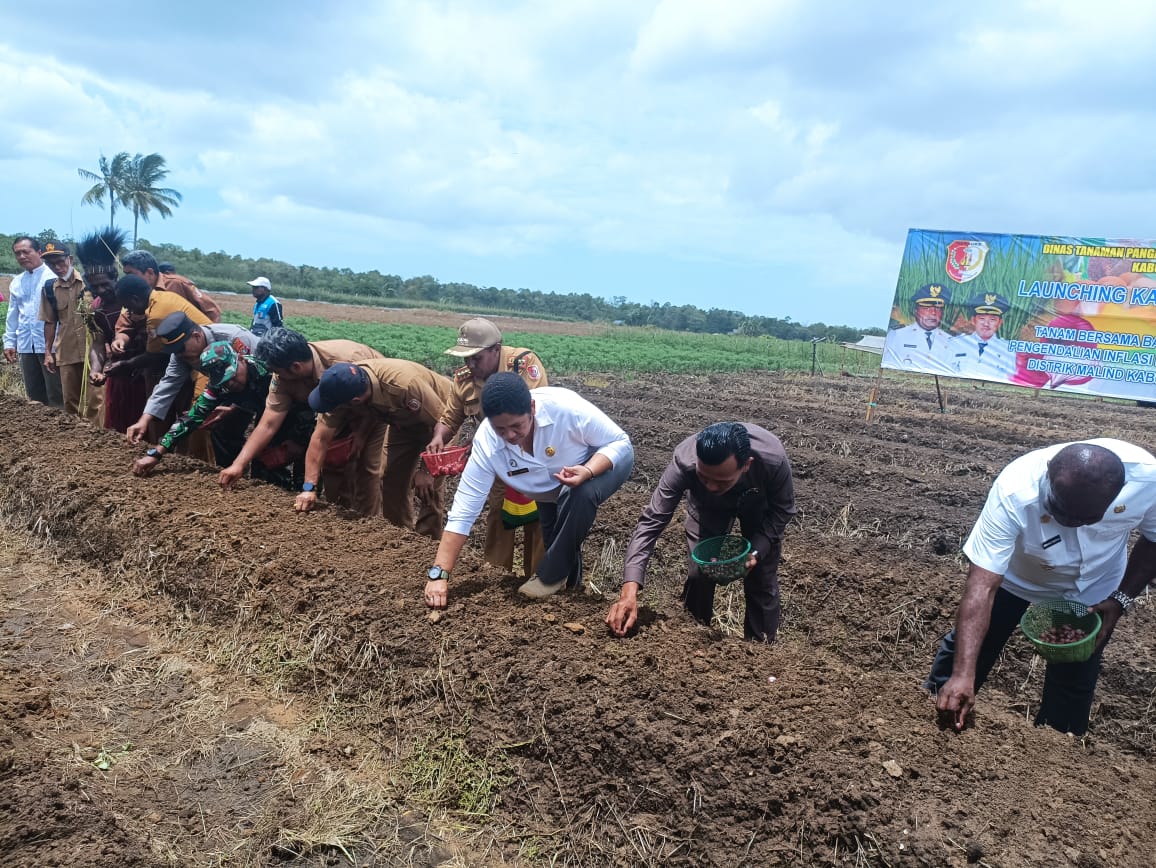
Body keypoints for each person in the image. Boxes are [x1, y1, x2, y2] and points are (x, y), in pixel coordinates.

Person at [926, 439, 1156, 736]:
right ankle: (936, 712)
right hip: (1018, 577)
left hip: (1094, 584)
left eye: (1084, 519)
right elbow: (981, 587)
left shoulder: (1148, 481)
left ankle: (1058, 745)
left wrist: (1119, 600)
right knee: (971, 649)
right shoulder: (1014, 489)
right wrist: (962, 673)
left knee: (1077, 667)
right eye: (1060, 511)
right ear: (1047, 476)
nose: (1070, 523)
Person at [424, 373, 634, 607]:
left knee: (579, 495)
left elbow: (620, 443)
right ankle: (570, 596)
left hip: (600, 465)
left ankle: (549, 577)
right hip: (545, 492)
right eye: (501, 430)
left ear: (532, 408)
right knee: (556, 538)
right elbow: (464, 510)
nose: (510, 436)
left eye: (516, 426)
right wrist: (439, 573)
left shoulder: (566, 410)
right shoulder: (487, 441)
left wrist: (589, 470)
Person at [607, 422, 796, 642]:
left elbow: (782, 510)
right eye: (704, 477)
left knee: (761, 576)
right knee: (700, 571)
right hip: (707, 507)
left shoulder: (772, 460)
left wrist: (756, 550)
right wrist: (628, 592)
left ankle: (761, 648)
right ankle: (692, 634)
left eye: (721, 481)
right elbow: (651, 522)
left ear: (746, 465)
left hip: (757, 503)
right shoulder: (684, 461)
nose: (712, 487)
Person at [428, 317, 549, 576]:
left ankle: (539, 577)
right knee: (498, 512)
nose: (469, 365)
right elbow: (451, 416)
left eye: (476, 358)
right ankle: (496, 574)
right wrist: (440, 437)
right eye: (465, 359)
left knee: (539, 514)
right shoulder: (464, 378)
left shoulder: (522, 365)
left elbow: (534, 413)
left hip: (533, 454)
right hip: (497, 458)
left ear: (496, 349)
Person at [219, 327, 384, 515]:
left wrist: (361, 433)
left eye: (277, 371)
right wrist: (239, 464)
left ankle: (368, 519)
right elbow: (268, 423)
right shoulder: (283, 376)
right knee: (334, 461)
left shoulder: (345, 362)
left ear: (295, 367)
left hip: (373, 404)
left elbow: (375, 401)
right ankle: (341, 513)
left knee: (366, 465)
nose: (276, 376)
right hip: (335, 407)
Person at [132, 341, 314, 488]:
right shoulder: (218, 386)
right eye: (224, 382)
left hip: (299, 415)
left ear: (241, 359)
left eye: (233, 376)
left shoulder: (268, 371)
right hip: (267, 418)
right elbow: (192, 418)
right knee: (265, 469)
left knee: (303, 467)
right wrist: (156, 453)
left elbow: (307, 404)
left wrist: (299, 439)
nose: (231, 384)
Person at [303, 360, 453, 537]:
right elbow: (320, 438)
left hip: (442, 419)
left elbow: (443, 424)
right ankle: (398, 536)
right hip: (403, 423)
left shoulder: (403, 386)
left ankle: (428, 542)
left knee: (429, 486)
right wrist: (308, 488)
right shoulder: (344, 385)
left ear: (355, 402)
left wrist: (427, 471)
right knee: (391, 477)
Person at [123, 311, 259, 447]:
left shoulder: (235, 339)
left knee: (259, 432)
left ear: (197, 336)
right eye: (174, 350)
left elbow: (258, 377)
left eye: (180, 349)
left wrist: (235, 407)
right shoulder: (181, 354)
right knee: (220, 432)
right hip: (227, 388)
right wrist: (144, 420)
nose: (178, 354)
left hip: (264, 387)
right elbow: (168, 383)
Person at [75, 229, 138, 431]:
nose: (101, 291)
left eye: (105, 284)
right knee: (117, 424)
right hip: (118, 373)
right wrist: (95, 369)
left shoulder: (134, 300)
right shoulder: (95, 308)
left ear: (115, 278)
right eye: (95, 287)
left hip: (144, 371)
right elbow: (98, 341)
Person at [38, 241, 101, 420]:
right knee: (70, 400)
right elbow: (50, 322)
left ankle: (98, 436)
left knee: (96, 399)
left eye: (60, 262)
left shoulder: (90, 283)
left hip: (93, 351)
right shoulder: (50, 289)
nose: (57, 267)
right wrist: (48, 352)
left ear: (70, 259)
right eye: (51, 264)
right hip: (67, 351)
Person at [3, 236, 62, 405]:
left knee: (56, 393)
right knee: (34, 394)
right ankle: (39, 430)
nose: (22, 256)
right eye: (18, 254)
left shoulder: (53, 278)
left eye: (26, 252)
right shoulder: (17, 281)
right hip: (26, 344)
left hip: (51, 345)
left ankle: (61, 429)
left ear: (39, 252)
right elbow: (12, 315)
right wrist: (9, 342)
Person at [120, 249, 221, 322]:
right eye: (126, 275)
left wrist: (209, 339)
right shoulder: (131, 294)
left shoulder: (178, 284)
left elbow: (212, 311)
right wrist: (121, 338)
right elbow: (125, 321)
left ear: (150, 273)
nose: (127, 279)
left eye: (131, 274)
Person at [882, 283, 954, 374]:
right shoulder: (897, 335)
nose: (933, 313)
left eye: (938, 308)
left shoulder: (951, 340)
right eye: (927, 308)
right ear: (915, 311)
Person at [948, 294, 1013, 380]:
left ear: (1000, 322)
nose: (986, 324)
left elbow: (1010, 377)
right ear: (973, 320)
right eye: (982, 318)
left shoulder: (1007, 350)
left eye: (992, 320)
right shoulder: (957, 343)